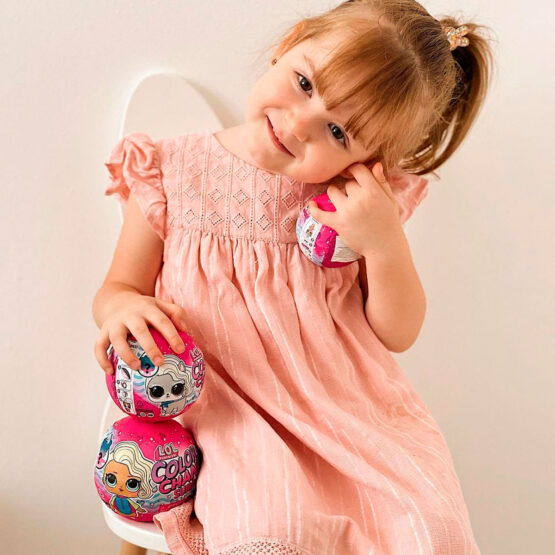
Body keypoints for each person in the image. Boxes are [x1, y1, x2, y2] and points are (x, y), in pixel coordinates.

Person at [92, 1, 494, 553]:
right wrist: (123, 309)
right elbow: (118, 287)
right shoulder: (171, 171)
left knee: (430, 523)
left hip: (345, 409)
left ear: (369, 159)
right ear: (291, 42)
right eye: (305, 83)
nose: (300, 124)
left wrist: (384, 242)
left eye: (338, 132)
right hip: (229, 410)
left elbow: (397, 332)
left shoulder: (347, 207)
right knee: (274, 528)